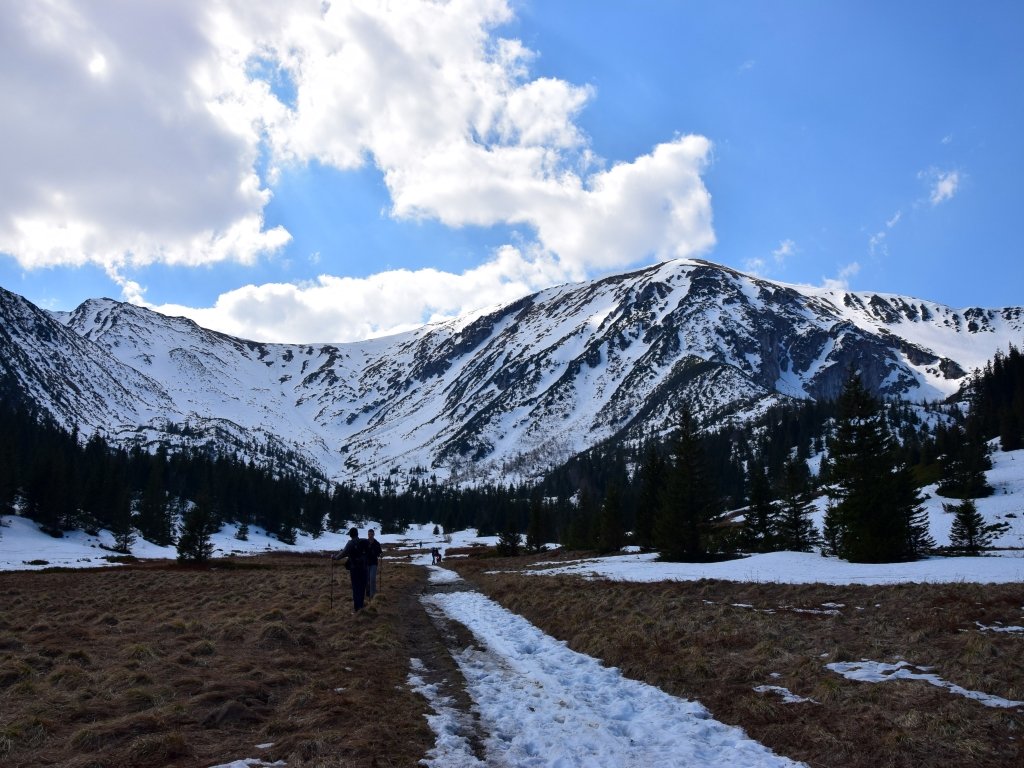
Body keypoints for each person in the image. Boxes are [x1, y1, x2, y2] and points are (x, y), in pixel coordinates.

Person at [333, 527, 369, 612]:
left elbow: (343, 554)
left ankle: (357, 608)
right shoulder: (364, 542)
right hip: (364, 568)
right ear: (357, 534)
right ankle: (361, 605)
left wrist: (335, 557)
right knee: (362, 587)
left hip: (354, 569)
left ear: (350, 535)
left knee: (356, 587)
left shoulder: (350, 543)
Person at [365, 528, 383, 600]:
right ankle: (368, 592)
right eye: (369, 534)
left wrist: (381, 555)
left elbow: (379, 553)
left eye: (371, 534)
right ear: (368, 534)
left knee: (372, 578)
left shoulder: (377, 543)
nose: (370, 536)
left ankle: (373, 595)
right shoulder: (364, 542)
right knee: (367, 579)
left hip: (374, 563)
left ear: (374, 534)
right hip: (366, 563)